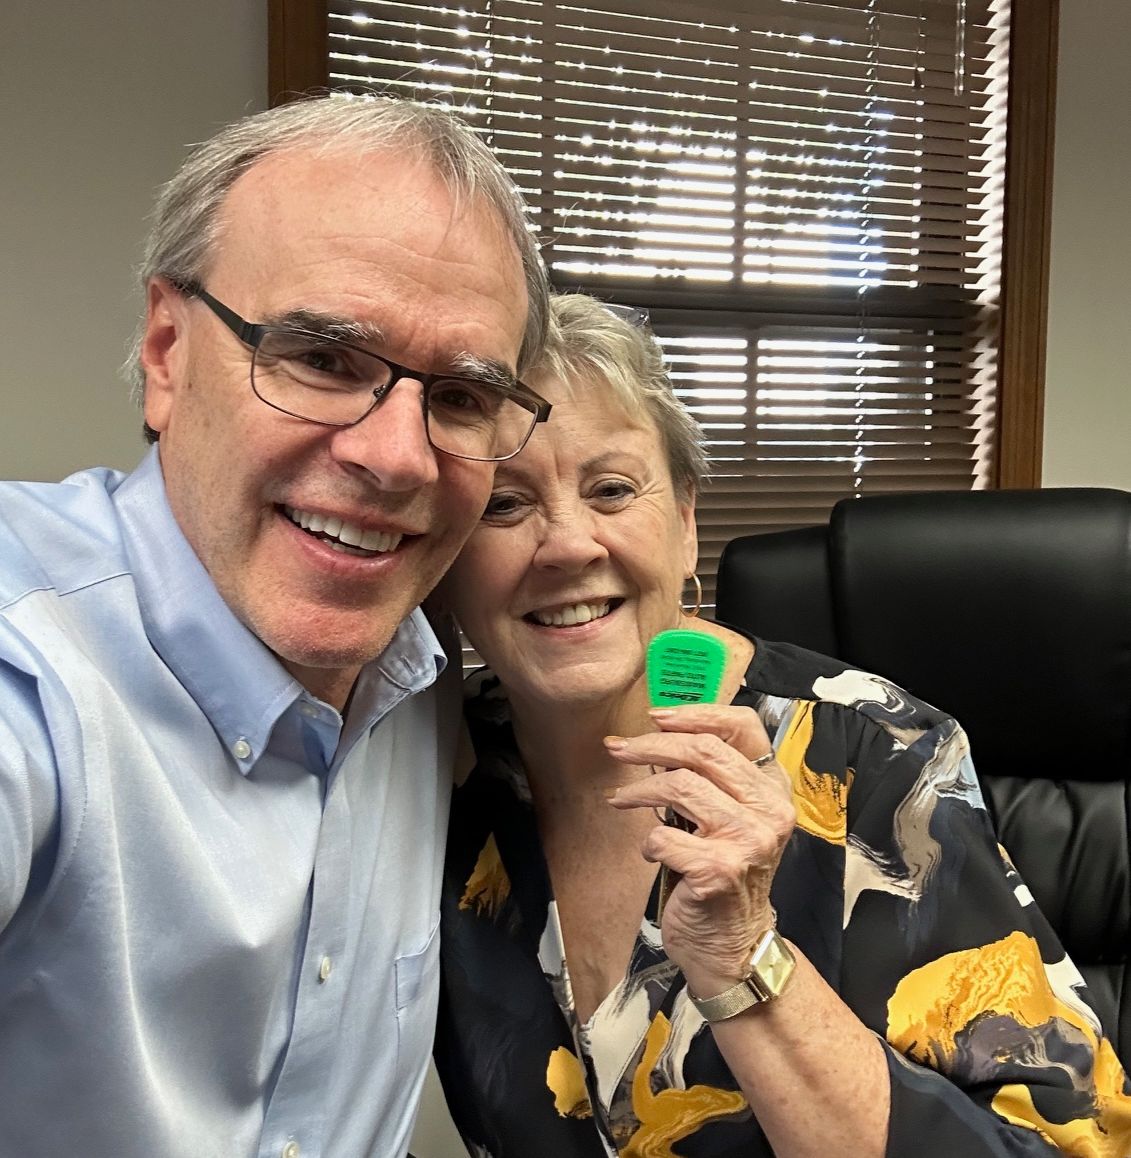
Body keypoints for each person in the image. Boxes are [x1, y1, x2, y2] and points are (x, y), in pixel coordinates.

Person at [431, 292, 1131, 1157]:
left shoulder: (873, 752)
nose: (569, 544)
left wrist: (743, 961)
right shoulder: (439, 776)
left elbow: (1074, 1145)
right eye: (503, 505)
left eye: (612, 488)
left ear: (685, 523)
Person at [0, 95, 552, 1156]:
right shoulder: (33, 670)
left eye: (464, 396)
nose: (397, 458)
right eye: (323, 359)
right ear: (166, 351)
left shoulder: (428, 682)